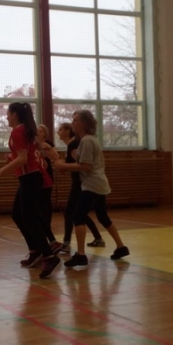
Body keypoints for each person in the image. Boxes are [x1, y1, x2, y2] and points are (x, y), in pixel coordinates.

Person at [0, 103, 60, 279]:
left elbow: (23, 159)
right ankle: (35, 250)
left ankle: (49, 256)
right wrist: (12, 157)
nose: (6, 117)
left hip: (31, 178)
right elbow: (25, 156)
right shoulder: (24, 131)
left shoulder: (18, 131)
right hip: (28, 178)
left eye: (8, 113)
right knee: (17, 214)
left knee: (30, 218)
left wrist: (0, 172)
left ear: (15, 115)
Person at [54, 110, 129, 267]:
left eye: (76, 120)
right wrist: (64, 162)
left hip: (92, 184)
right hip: (99, 183)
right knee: (102, 216)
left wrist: (63, 165)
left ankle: (81, 255)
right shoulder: (89, 140)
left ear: (84, 123)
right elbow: (82, 162)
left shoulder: (87, 141)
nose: (73, 123)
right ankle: (121, 247)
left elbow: (86, 166)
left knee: (77, 217)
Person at [56, 122, 104, 251]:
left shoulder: (74, 144)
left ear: (68, 131)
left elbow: (76, 165)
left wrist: (59, 163)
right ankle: (98, 238)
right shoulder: (72, 145)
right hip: (79, 182)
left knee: (70, 212)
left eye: (60, 129)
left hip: (80, 183)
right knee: (79, 213)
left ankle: (66, 243)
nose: (58, 132)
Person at [36, 124, 64, 254]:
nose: (38, 132)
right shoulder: (33, 144)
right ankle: (46, 239)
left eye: (40, 131)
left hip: (46, 176)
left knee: (45, 204)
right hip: (36, 177)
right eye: (37, 130)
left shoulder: (47, 145)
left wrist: (48, 151)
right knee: (37, 208)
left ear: (45, 134)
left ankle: (48, 233)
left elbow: (56, 156)